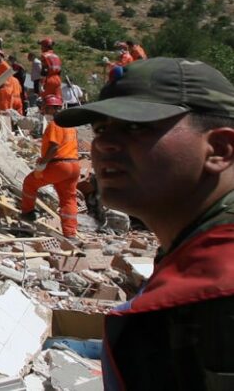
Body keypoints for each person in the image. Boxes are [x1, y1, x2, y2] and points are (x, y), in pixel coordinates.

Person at [54, 57, 234, 389]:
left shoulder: (218, 296)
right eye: (101, 128)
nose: (103, 144)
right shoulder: (193, 253)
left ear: (219, 149)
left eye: (136, 126)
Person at [19, 95, 80, 237]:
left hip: (59, 164)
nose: (43, 110)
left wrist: (43, 163)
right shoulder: (70, 125)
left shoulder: (55, 124)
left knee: (30, 182)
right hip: (74, 165)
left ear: (53, 108)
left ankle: (28, 214)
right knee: (68, 199)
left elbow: (54, 146)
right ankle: (70, 233)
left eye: (46, 107)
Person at [40, 38, 63, 105]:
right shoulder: (56, 56)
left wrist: (42, 83)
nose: (41, 48)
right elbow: (59, 70)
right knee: (57, 99)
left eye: (41, 46)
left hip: (49, 80)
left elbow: (44, 70)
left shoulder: (44, 55)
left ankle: (46, 113)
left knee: (46, 100)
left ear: (44, 46)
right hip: (57, 80)